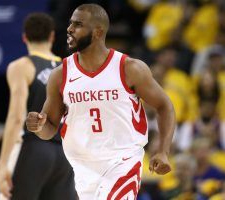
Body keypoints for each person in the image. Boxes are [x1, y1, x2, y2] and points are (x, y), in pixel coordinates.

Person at [26, 4, 176, 200]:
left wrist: (163, 151)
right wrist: (39, 125)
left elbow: (165, 106)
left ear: (97, 32)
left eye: (78, 24)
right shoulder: (60, 75)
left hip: (122, 160)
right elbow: (50, 129)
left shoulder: (129, 68)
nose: (70, 29)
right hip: (81, 166)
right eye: (70, 23)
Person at [0, 13, 76, 200]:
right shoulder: (68, 68)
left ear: (24, 37)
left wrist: (3, 164)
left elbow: (16, 117)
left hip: (34, 149)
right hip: (65, 155)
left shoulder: (21, 66)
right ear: (52, 36)